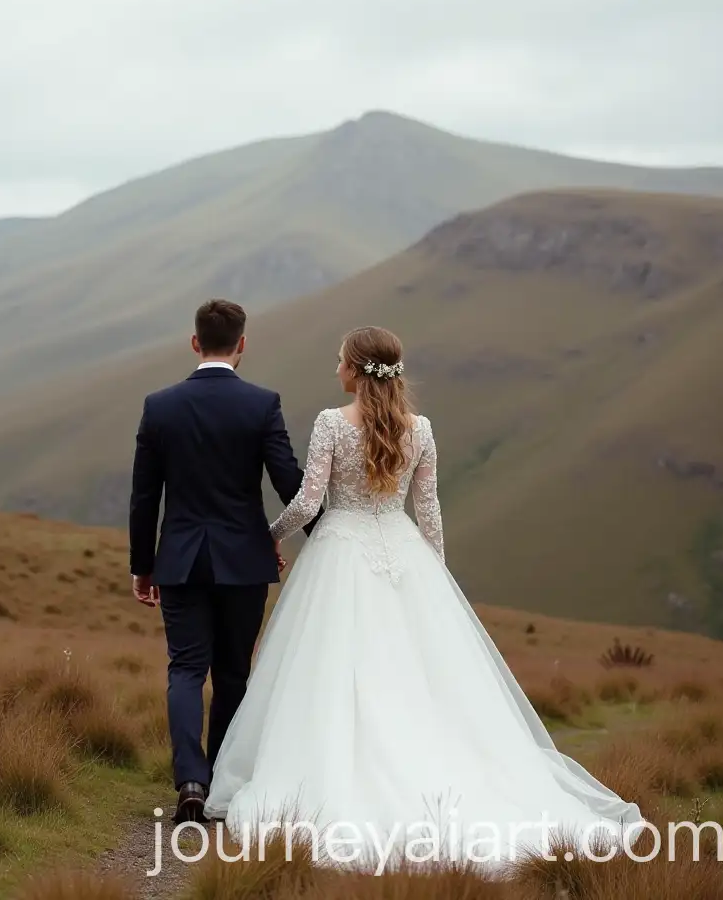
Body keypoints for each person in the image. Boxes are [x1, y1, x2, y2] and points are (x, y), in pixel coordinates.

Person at [202, 325, 644, 870]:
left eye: (339, 360)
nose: (334, 368)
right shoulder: (422, 430)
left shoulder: (330, 424)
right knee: (417, 677)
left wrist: (270, 533)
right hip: (404, 552)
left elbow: (308, 500)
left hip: (340, 553)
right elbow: (428, 509)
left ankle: (340, 768)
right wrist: (434, 576)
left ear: (355, 370)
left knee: (334, 669)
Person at [129, 298, 320, 825]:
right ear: (242, 344)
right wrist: (327, 528)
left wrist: (142, 566)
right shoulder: (262, 405)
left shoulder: (159, 406)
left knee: (186, 669)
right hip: (244, 562)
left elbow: (145, 498)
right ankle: (219, 782)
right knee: (234, 671)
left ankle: (190, 779)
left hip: (181, 561)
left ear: (195, 343)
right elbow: (289, 482)